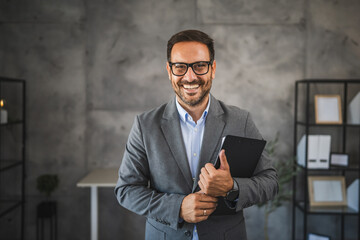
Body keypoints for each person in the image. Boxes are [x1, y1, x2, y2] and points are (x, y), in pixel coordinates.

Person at [115, 29, 278, 240]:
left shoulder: (241, 120)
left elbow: (270, 181)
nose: (190, 77)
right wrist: (178, 207)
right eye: (180, 67)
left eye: (199, 66)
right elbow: (126, 190)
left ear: (213, 69)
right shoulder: (145, 125)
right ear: (169, 70)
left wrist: (232, 187)